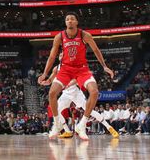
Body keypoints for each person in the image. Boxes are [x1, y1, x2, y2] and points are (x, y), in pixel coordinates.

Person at [38, 12, 115, 140]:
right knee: (52, 93)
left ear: (76, 22)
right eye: (67, 19)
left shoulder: (85, 35)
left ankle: (82, 125)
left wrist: (104, 66)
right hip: (66, 70)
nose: (69, 21)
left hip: (81, 69)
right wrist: (45, 74)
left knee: (94, 92)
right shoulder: (59, 37)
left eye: (72, 19)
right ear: (65, 23)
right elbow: (52, 56)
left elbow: (96, 50)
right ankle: (57, 123)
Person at [48, 64, 118, 139]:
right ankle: (67, 130)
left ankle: (109, 127)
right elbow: (52, 79)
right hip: (66, 94)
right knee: (55, 109)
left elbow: (77, 79)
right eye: (60, 55)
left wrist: (68, 84)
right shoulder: (56, 68)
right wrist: (47, 81)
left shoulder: (73, 65)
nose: (62, 56)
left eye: (63, 55)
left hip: (76, 93)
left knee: (90, 110)